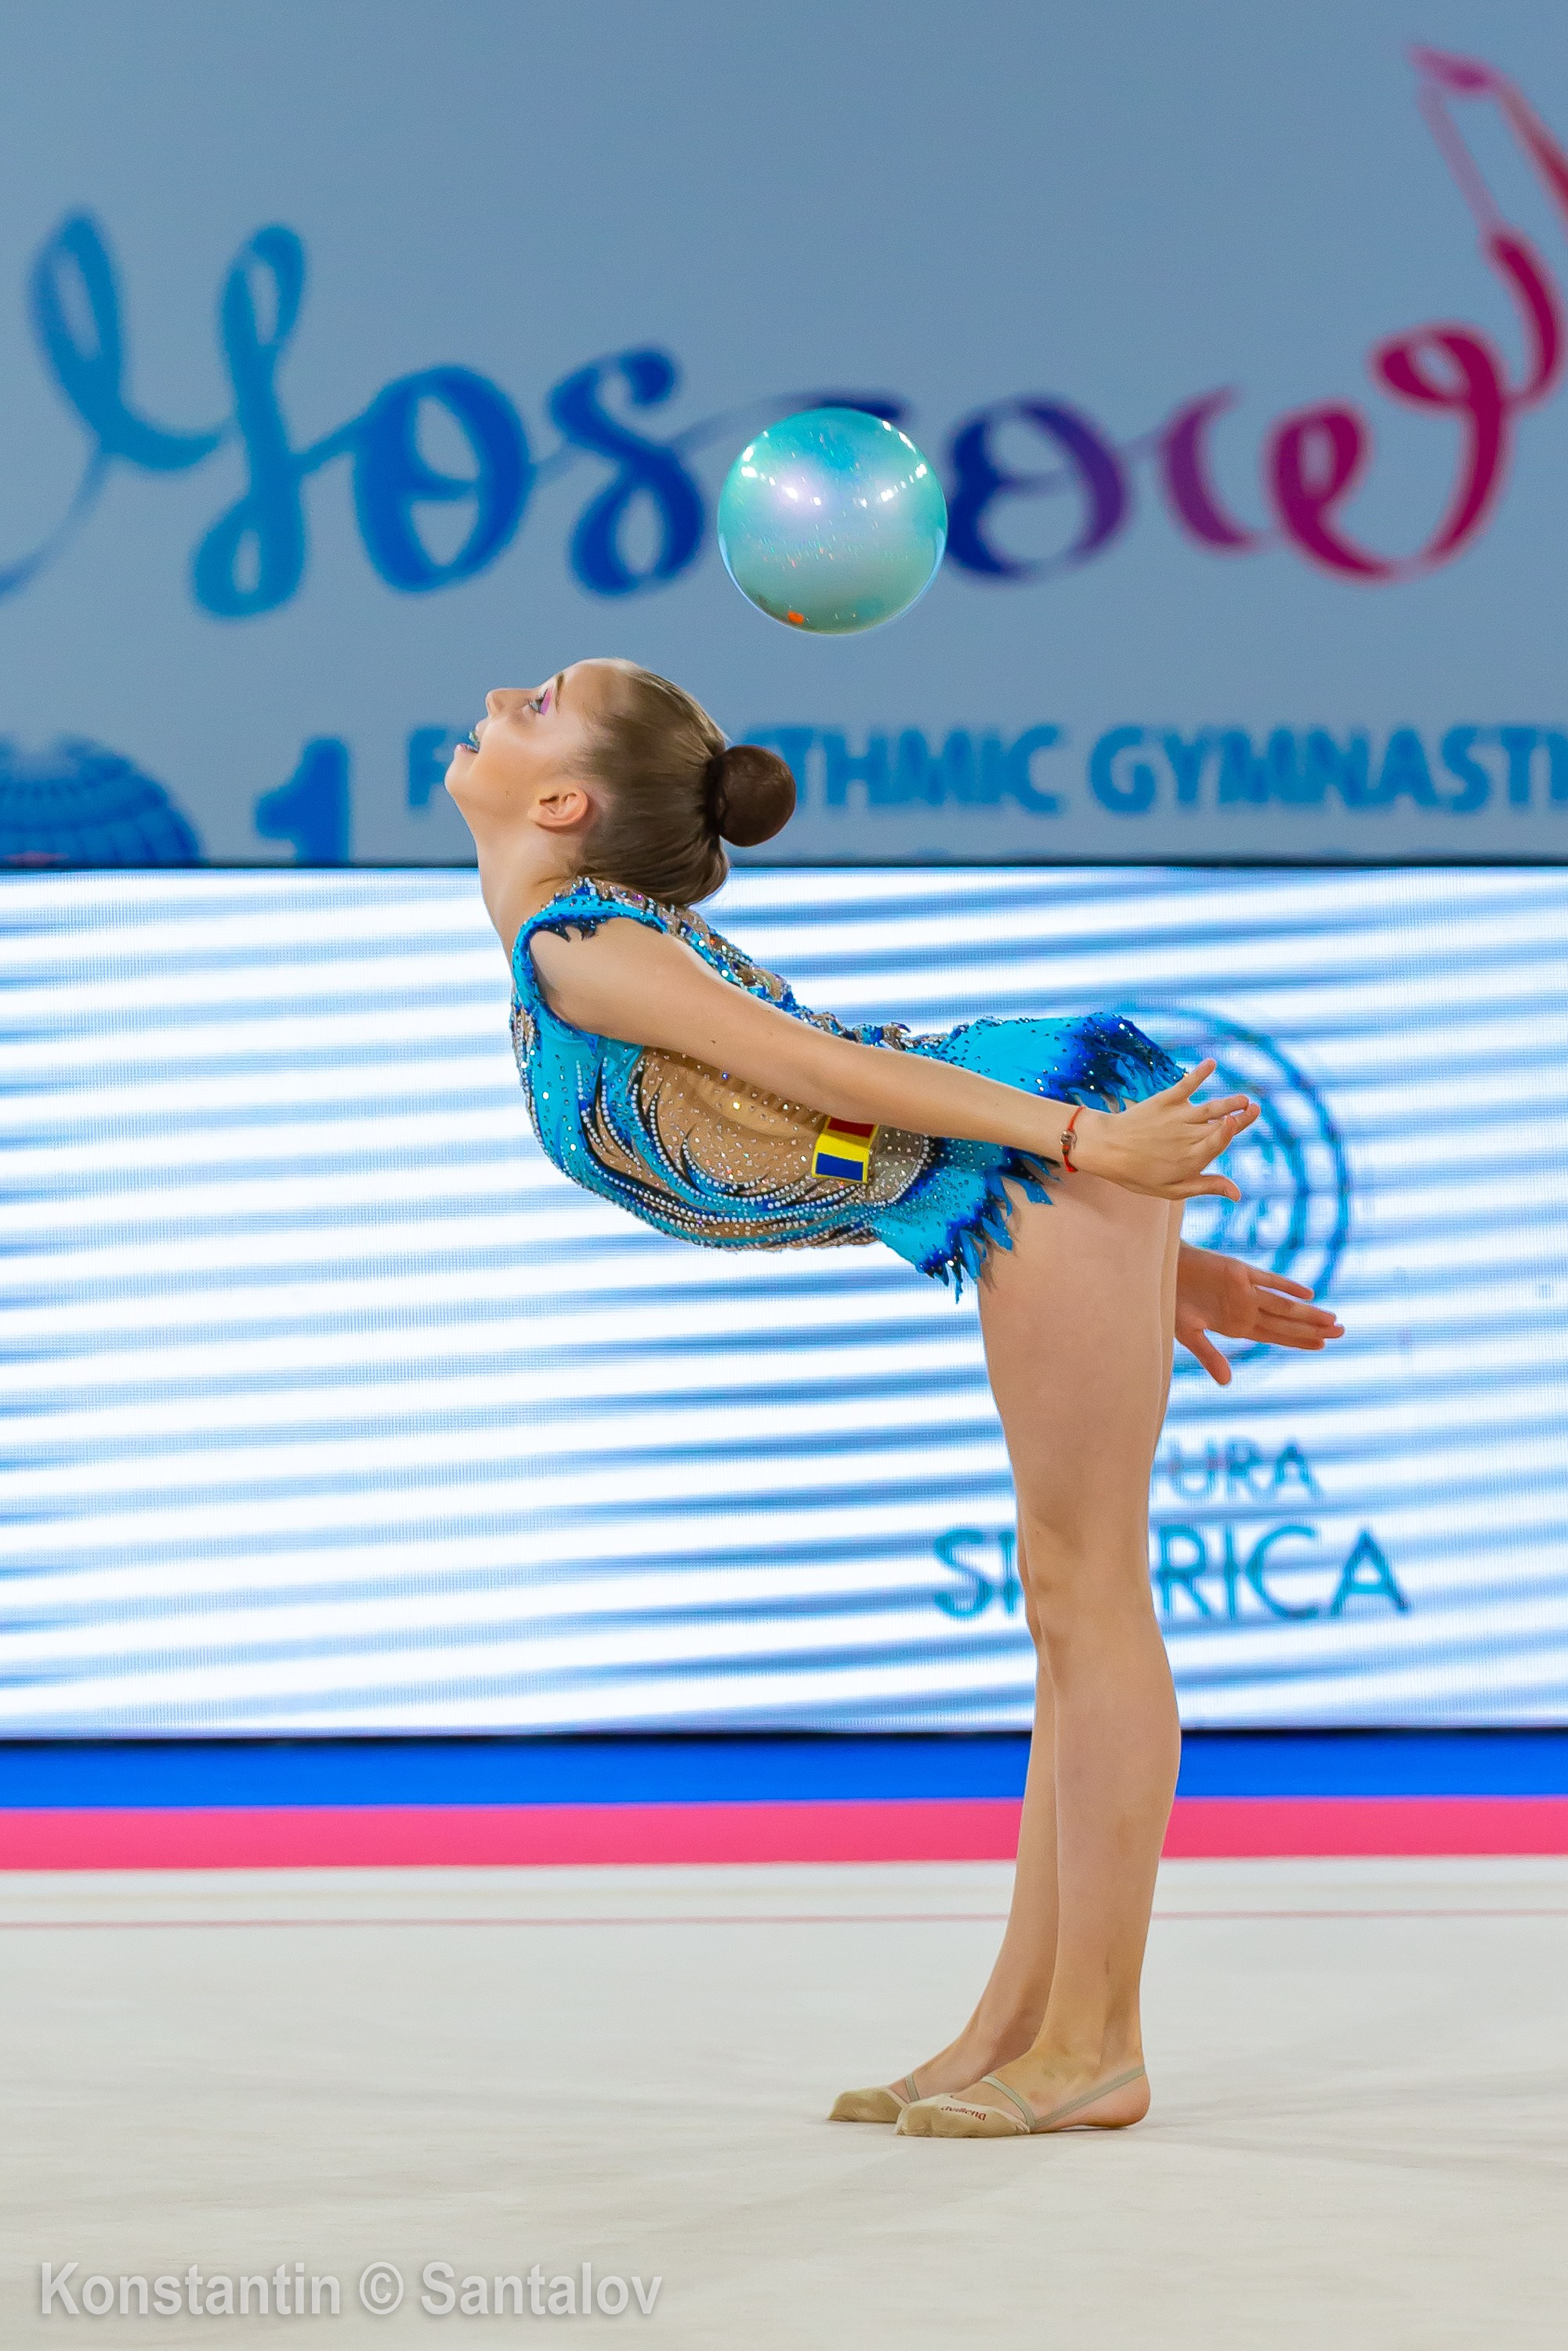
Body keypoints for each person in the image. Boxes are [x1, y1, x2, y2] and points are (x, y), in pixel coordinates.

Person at [447, 659, 1344, 2143]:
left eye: (536, 700)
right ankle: (1016, 2027)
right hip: (1036, 1176)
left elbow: (818, 1065)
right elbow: (827, 1130)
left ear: (564, 803)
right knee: (1066, 1603)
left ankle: (1096, 2043)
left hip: (1044, 1152)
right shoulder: (600, 939)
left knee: (1085, 1595)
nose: (497, 691)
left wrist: (1086, 1150)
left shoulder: (578, 948)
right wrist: (1157, 1262)